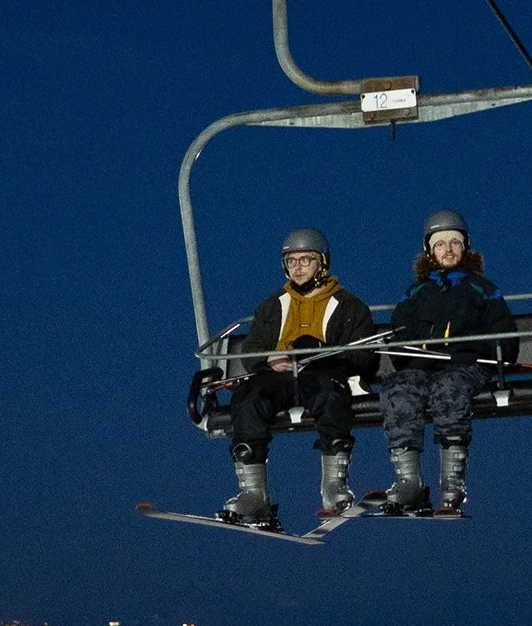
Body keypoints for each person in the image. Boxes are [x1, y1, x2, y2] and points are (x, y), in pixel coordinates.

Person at [221, 228, 377, 528]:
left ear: (322, 263)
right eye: (291, 261)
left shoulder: (348, 306)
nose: (298, 268)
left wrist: (325, 353)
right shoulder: (274, 304)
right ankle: (253, 494)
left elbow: (363, 355)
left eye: (306, 260)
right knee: (249, 398)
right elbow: (251, 348)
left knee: (331, 394)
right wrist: (270, 357)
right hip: (280, 374)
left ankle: (334, 486)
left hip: (323, 371)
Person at [381, 211, 516, 515]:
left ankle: (453, 480)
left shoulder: (483, 289)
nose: (449, 250)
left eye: (455, 242)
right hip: (423, 367)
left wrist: (472, 350)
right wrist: (414, 355)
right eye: (441, 244)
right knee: (398, 390)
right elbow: (399, 338)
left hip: (465, 366)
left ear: (466, 247)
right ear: (430, 250)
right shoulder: (416, 293)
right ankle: (409, 481)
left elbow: (505, 338)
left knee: (449, 389)